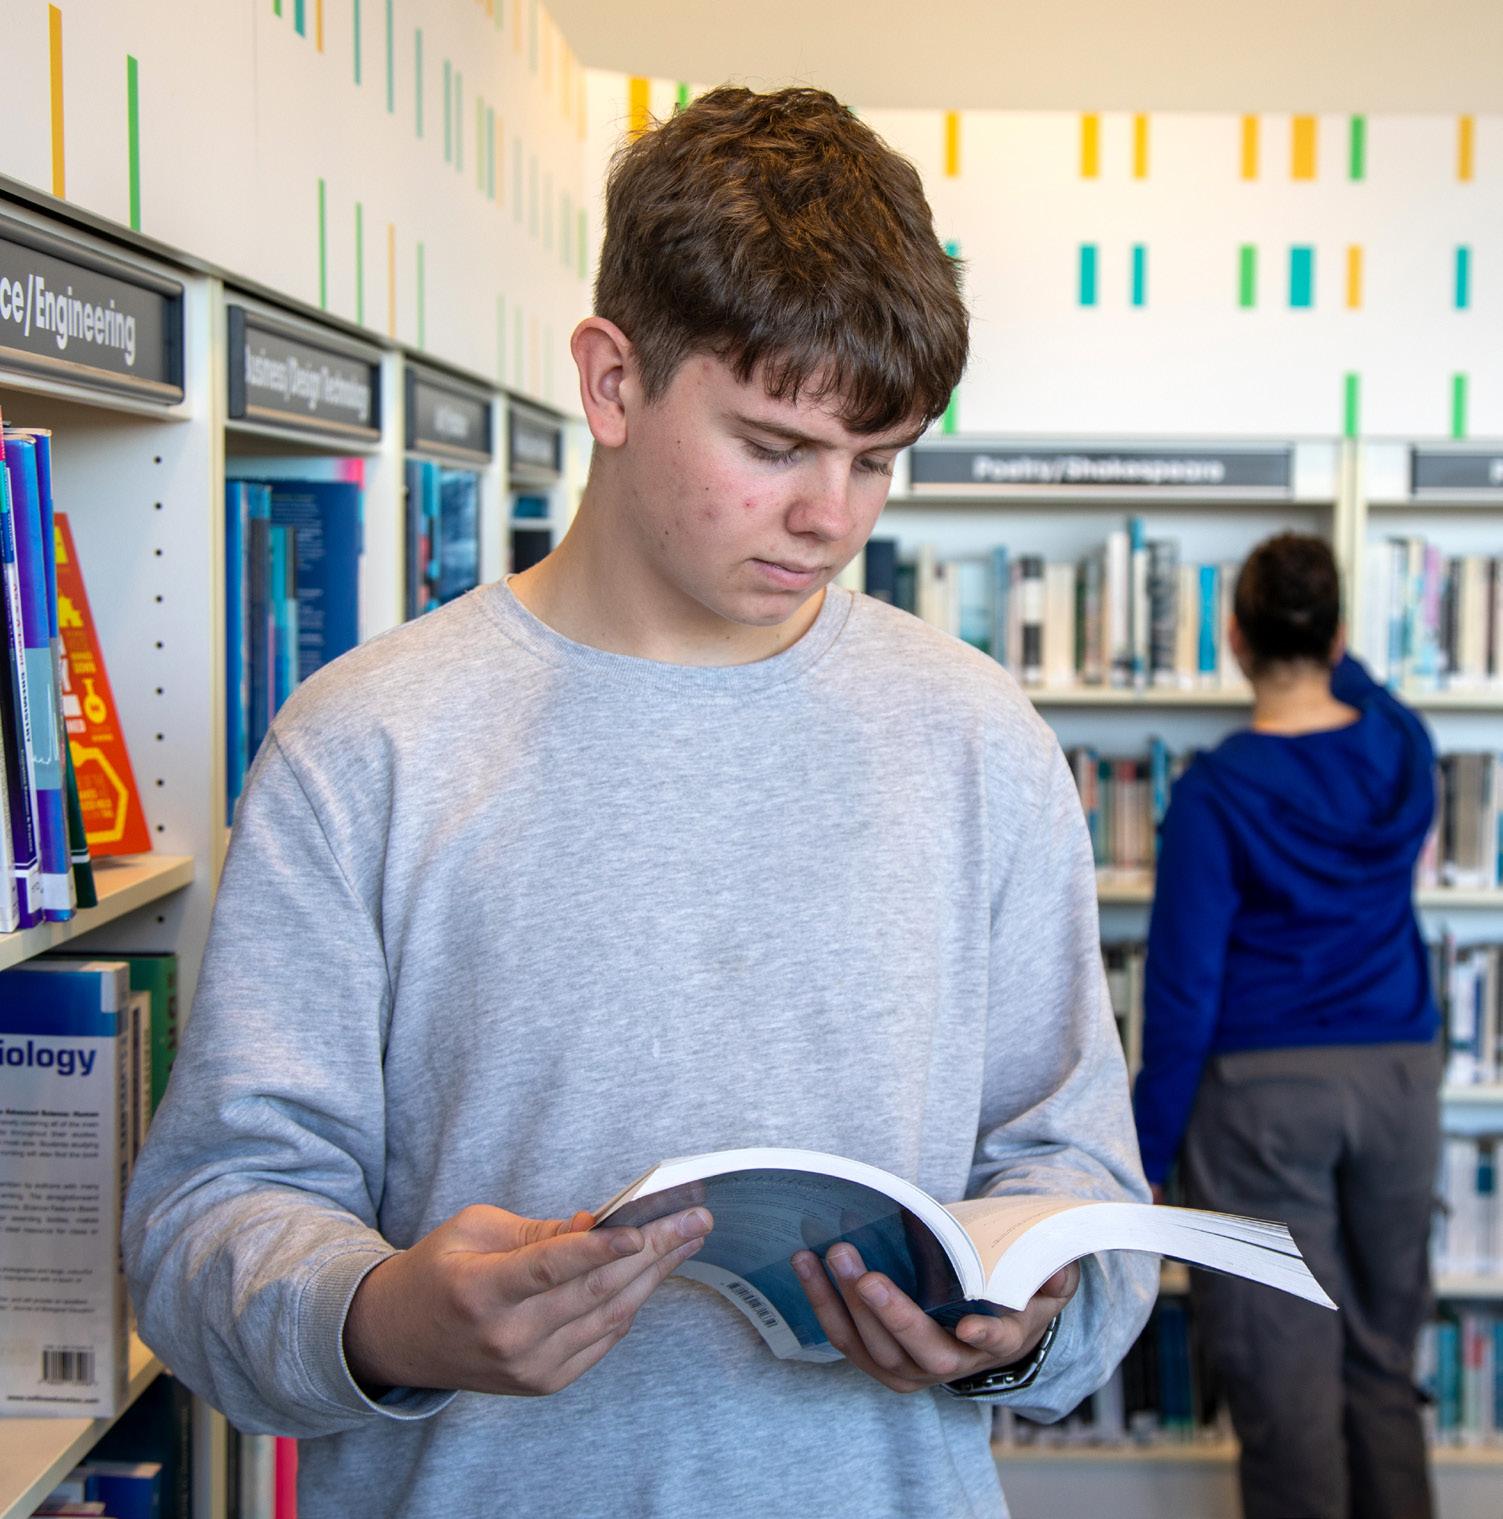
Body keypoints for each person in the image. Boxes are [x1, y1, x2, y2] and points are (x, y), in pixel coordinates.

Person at [124, 86, 1156, 1518]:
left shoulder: (979, 739)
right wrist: (386, 1317)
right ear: (611, 381)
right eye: (774, 446)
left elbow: (1080, 1184)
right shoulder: (367, 744)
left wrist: (1028, 1323)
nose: (834, 517)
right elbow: (200, 1229)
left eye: (876, 459)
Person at [1134, 531, 1441, 1519]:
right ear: (1339, 635)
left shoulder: (1215, 793)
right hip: (1398, 1082)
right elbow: (1364, 685)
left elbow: (1182, 992)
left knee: (1285, 1386)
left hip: (1262, 1097)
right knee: (1383, 1362)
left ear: (1234, 638)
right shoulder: (1402, 747)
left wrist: (1143, 1156)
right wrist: (1327, 640)